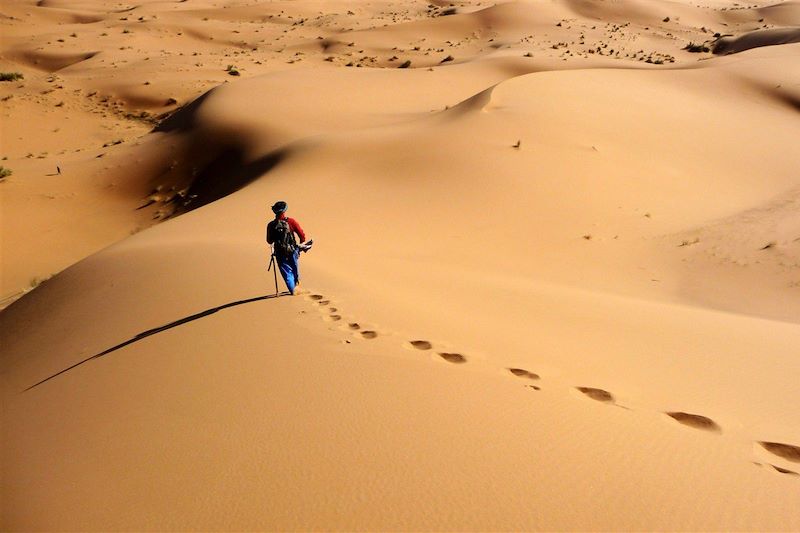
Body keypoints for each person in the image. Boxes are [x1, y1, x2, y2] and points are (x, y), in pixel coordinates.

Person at [266, 201, 311, 295]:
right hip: (292, 250)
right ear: (285, 210)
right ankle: (297, 287)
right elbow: (302, 235)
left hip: (279, 252)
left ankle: (293, 290)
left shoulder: (271, 225)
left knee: (287, 272)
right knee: (295, 269)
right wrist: (300, 245)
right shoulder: (291, 222)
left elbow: (269, 241)